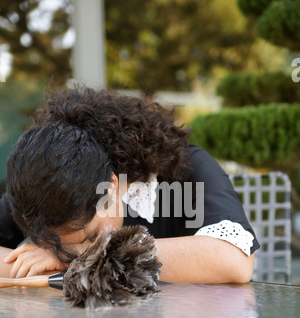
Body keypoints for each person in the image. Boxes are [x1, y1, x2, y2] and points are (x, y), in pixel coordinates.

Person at [0, 87, 259, 283]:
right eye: (52, 244)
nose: (60, 252)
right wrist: (39, 266)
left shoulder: (189, 168)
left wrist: (81, 254)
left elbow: (235, 259)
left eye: (90, 235)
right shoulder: (43, 183)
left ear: (109, 188)